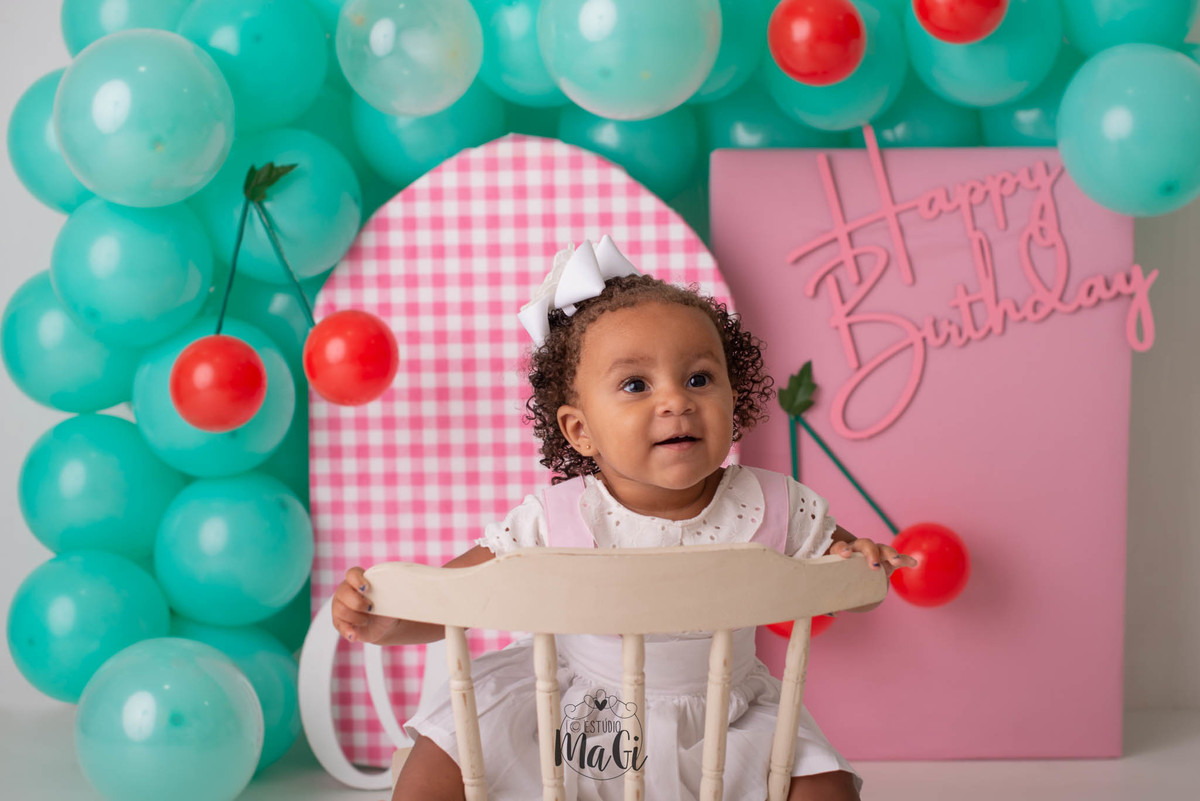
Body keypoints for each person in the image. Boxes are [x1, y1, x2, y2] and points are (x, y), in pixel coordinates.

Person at [331, 237, 918, 801]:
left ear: (733, 396)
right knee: (445, 756)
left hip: (725, 714)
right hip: (576, 708)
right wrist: (384, 621)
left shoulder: (771, 504)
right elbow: (454, 597)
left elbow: (854, 583)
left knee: (823, 785)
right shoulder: (558, 518)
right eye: (636, 385)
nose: (676, 400)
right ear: (580, 430)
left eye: (699, 378)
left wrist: (858, 560)